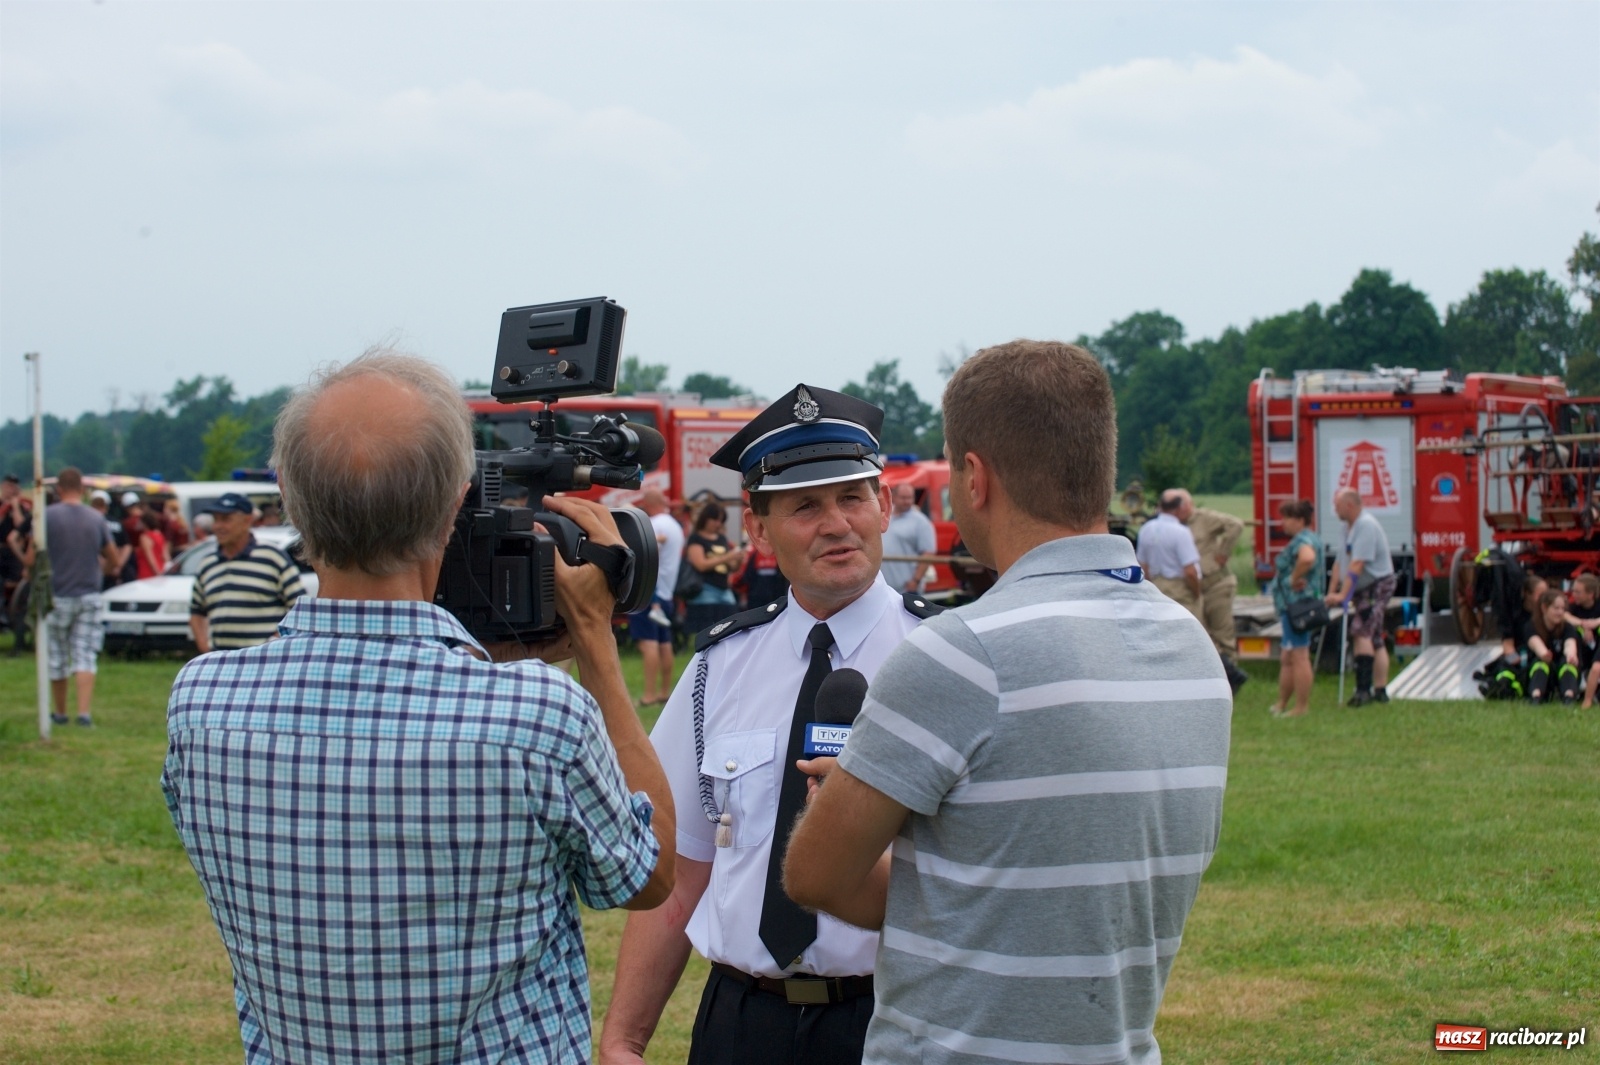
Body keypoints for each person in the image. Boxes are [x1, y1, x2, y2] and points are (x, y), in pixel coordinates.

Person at [161, 351, 675, 1064]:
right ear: (455, 504)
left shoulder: (202, 701)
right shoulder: (537, 716)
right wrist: (593, 638)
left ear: (291, 502)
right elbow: (649, 876)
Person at [783, 341, 1232, 1065]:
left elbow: (814, 876)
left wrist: (855, 801)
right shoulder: (1192, 649)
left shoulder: (962, 651)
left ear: (976, 475)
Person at [600, 384, 942, 1065]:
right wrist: (624, 1038)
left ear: (882, 505)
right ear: (757, 531)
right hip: (742, 1021)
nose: (837, 524)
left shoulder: (944, 659)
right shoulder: (718, 666)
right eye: (806, 506)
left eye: (852, 497)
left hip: (895, 1020)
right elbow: (684, 867)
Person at [43, 468, 120, 727]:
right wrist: (101, 572)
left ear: (59, 489)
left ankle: (60, 712)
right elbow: (114, 558)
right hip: (89, 593)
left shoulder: (47, 516)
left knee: (57, 655)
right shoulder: (96, 518)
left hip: (57, 594)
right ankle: (84, 713)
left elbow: (33, 557)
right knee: (85, 654)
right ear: (83, 489)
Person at [187, 493, 306, 654]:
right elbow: (197, 612)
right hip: (222, 660)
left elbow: (299, 607)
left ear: (247, 520)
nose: (217, 526)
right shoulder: (207, 563)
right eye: (215, 520)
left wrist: (275, 642)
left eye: (225, 519)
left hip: (265, 659)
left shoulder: (272, 556)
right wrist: (205, 648)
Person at [1324, 487, 1397, 706]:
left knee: (1361, 632)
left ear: (1349, 505)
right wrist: (1332, 592)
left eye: (1337, 505)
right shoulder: (1346, 528)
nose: (1335, 510)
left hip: (1376, 584)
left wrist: (1343, 595)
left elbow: (1357, 565)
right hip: (1364, 586)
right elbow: (1340, 563)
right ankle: (1380, 690)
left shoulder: (1366, 525)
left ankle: (1363, 691)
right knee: (1375, 638)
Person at [1184, 491, 1249, 692]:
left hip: (1217, 584)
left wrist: (1223, 553)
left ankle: (1231, 684)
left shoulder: (1204, 518)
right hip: (1194, 587)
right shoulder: (1174, 525)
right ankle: (1208, 683)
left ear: (1188, 504)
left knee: (1223, 635)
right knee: (1203, 636)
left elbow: (1236, 525)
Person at [628, 488, 685, 706]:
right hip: (667, 592)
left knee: (648, 643)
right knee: (664, 642)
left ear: (647, 503)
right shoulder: (675, 525)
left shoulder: (654, 524)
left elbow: (643, 551)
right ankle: (664, 691)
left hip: (650, 592)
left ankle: (649, 694)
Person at [1268, 500, 1324, 718]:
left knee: (1299, 655)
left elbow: (1307, 558)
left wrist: (1293, 578)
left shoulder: (1304, 540)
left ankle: (1301, 707)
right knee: (1288, 655)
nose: (1283, 522)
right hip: (1293, 607)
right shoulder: (1309, 538)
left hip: (1298, 607)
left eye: (1287, 518)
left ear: (1300, 520)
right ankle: (1282, 703)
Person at [682, 499, 746, 640]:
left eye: (721, 521)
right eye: (715, 519)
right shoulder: (696, 539)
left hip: (724, 589)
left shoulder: (721, 538)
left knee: (730, 626)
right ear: (706, 518)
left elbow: (731, 568)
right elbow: (701, 565)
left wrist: (738, 559)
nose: (718, 523)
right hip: (705, 589)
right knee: (706, 630)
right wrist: (727, 557)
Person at [1136, 488, 1204, 620]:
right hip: (1179, 589)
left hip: (1156, 586)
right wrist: (1197, 593)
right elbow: (1190, 572)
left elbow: (1143, 566)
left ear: (1160, 506)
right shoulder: (1181, 532)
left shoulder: (1146, 529)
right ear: (1179, 509)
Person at [1522, 587, 1580, 704]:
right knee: (1540, 663)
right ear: (1544, 608)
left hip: (1560, 672)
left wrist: (1571, 655)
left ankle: (1569, 697)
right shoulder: (1531, 626)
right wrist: (1544, 654)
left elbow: (1570, 643)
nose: (1560, 612)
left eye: (1563, 609)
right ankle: (1536, 697)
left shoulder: (1567, 627)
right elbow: (1536, 643)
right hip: (1541, 673)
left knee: (1567, 664)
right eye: (1556, 608)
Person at [880, 483, 937, 593]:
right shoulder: (884, 516)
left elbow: (928, 553)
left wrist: (915, 581)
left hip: (907, 589)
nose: (907, 501)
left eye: (910, 498)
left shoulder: (921, 522)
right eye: (903, 498)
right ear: (893, 497)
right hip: (884, 588)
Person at [1563, 574, 1600, 706]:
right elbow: (1565, 615)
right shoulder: (1574, 608)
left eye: (1578, 592)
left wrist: (1596, 622)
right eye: (1573, 591)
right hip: (1582, 651)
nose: (1574, 595)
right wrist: (1583, 624)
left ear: (1590, 594)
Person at [89, 490, 132, 591]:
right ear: (107, 506)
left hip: (95, 572)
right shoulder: (116, 522)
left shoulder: (88, 523)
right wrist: (118, 565)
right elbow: (126, 546)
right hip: (114, 572)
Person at [134, 508, 169, 580]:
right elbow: (165, 556)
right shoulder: (159, 535)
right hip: (161, 569)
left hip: (148, 573)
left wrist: (157, 573)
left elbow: (150, 558)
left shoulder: (145, 537)